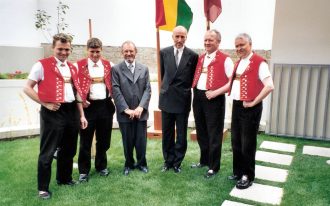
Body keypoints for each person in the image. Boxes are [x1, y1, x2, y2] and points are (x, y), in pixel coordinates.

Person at [23, 33, 88, 199]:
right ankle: (43, 188)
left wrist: (81, 115)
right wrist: (45, 103)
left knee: (69, 148)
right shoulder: (41, 65)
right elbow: (27, 88)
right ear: (53, 48)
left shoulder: (72, 67)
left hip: (71, 111)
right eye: (60, 49)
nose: (64, 52)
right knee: (48, 150)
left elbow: (77, 93)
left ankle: (64, 179)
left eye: (67, 49)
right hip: (52, 112)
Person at [228, 33, 274, 189]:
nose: (239, 48)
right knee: (236, 141)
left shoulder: (260, 62)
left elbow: (269, 85)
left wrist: (254, 101)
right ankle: (238, 171)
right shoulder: (239, 62)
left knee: (247, 143)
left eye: (242, 45)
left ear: (250, 44)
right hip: (237, 105)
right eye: (237, 46)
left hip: (250, 107)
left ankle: (248, 175)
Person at [191, 29, 234, 178]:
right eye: (206, 40)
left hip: (214, 99)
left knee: (214, 134)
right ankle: (204, 160)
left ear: (218, 42)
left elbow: (232, 82)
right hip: (198, 97)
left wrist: (216, 92)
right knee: (201, 131)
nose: (207, 42)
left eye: (211, 40)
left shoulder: (226, 59)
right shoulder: (201, 58)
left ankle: (213, 166)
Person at [159, 25, 199, 173]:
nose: (179, 39)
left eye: (183, 37)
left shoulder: (193, 56)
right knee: (167, 133)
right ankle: (168, 161)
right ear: (172, 37)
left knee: (181, 134)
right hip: (167, 99)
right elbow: (164, 75)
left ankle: (177, 162)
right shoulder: (163, 52)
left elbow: (192, 77)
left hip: (182, 100)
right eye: (177, 36)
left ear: (186, 38)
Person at [76, 38, 115, 182]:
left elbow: (115, 84)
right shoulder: (79, 65)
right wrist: (80, 100)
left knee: (104, 140)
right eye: (92, 52)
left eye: (97, 52)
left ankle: (101, 166)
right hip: (88, 108)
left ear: (101, 50)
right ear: (87, 50)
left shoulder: (109, 65)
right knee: (85, 140)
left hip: (105, 106)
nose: (95, 55)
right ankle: (83, 171)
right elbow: (75, 85)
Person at [112, 41, 151, 176]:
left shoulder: (144, 68)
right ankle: (128, 164)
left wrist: (141, 107)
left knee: (141, 140)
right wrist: (126, 109)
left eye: (131, 51)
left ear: (136, 51)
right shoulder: (116, 69)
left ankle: (142, 163)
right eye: (126, 51)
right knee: (127, 141)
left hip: (141, 112)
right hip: (125, 113)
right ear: (122, 53)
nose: (129, 54)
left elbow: (147, 89)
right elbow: (116, 90)